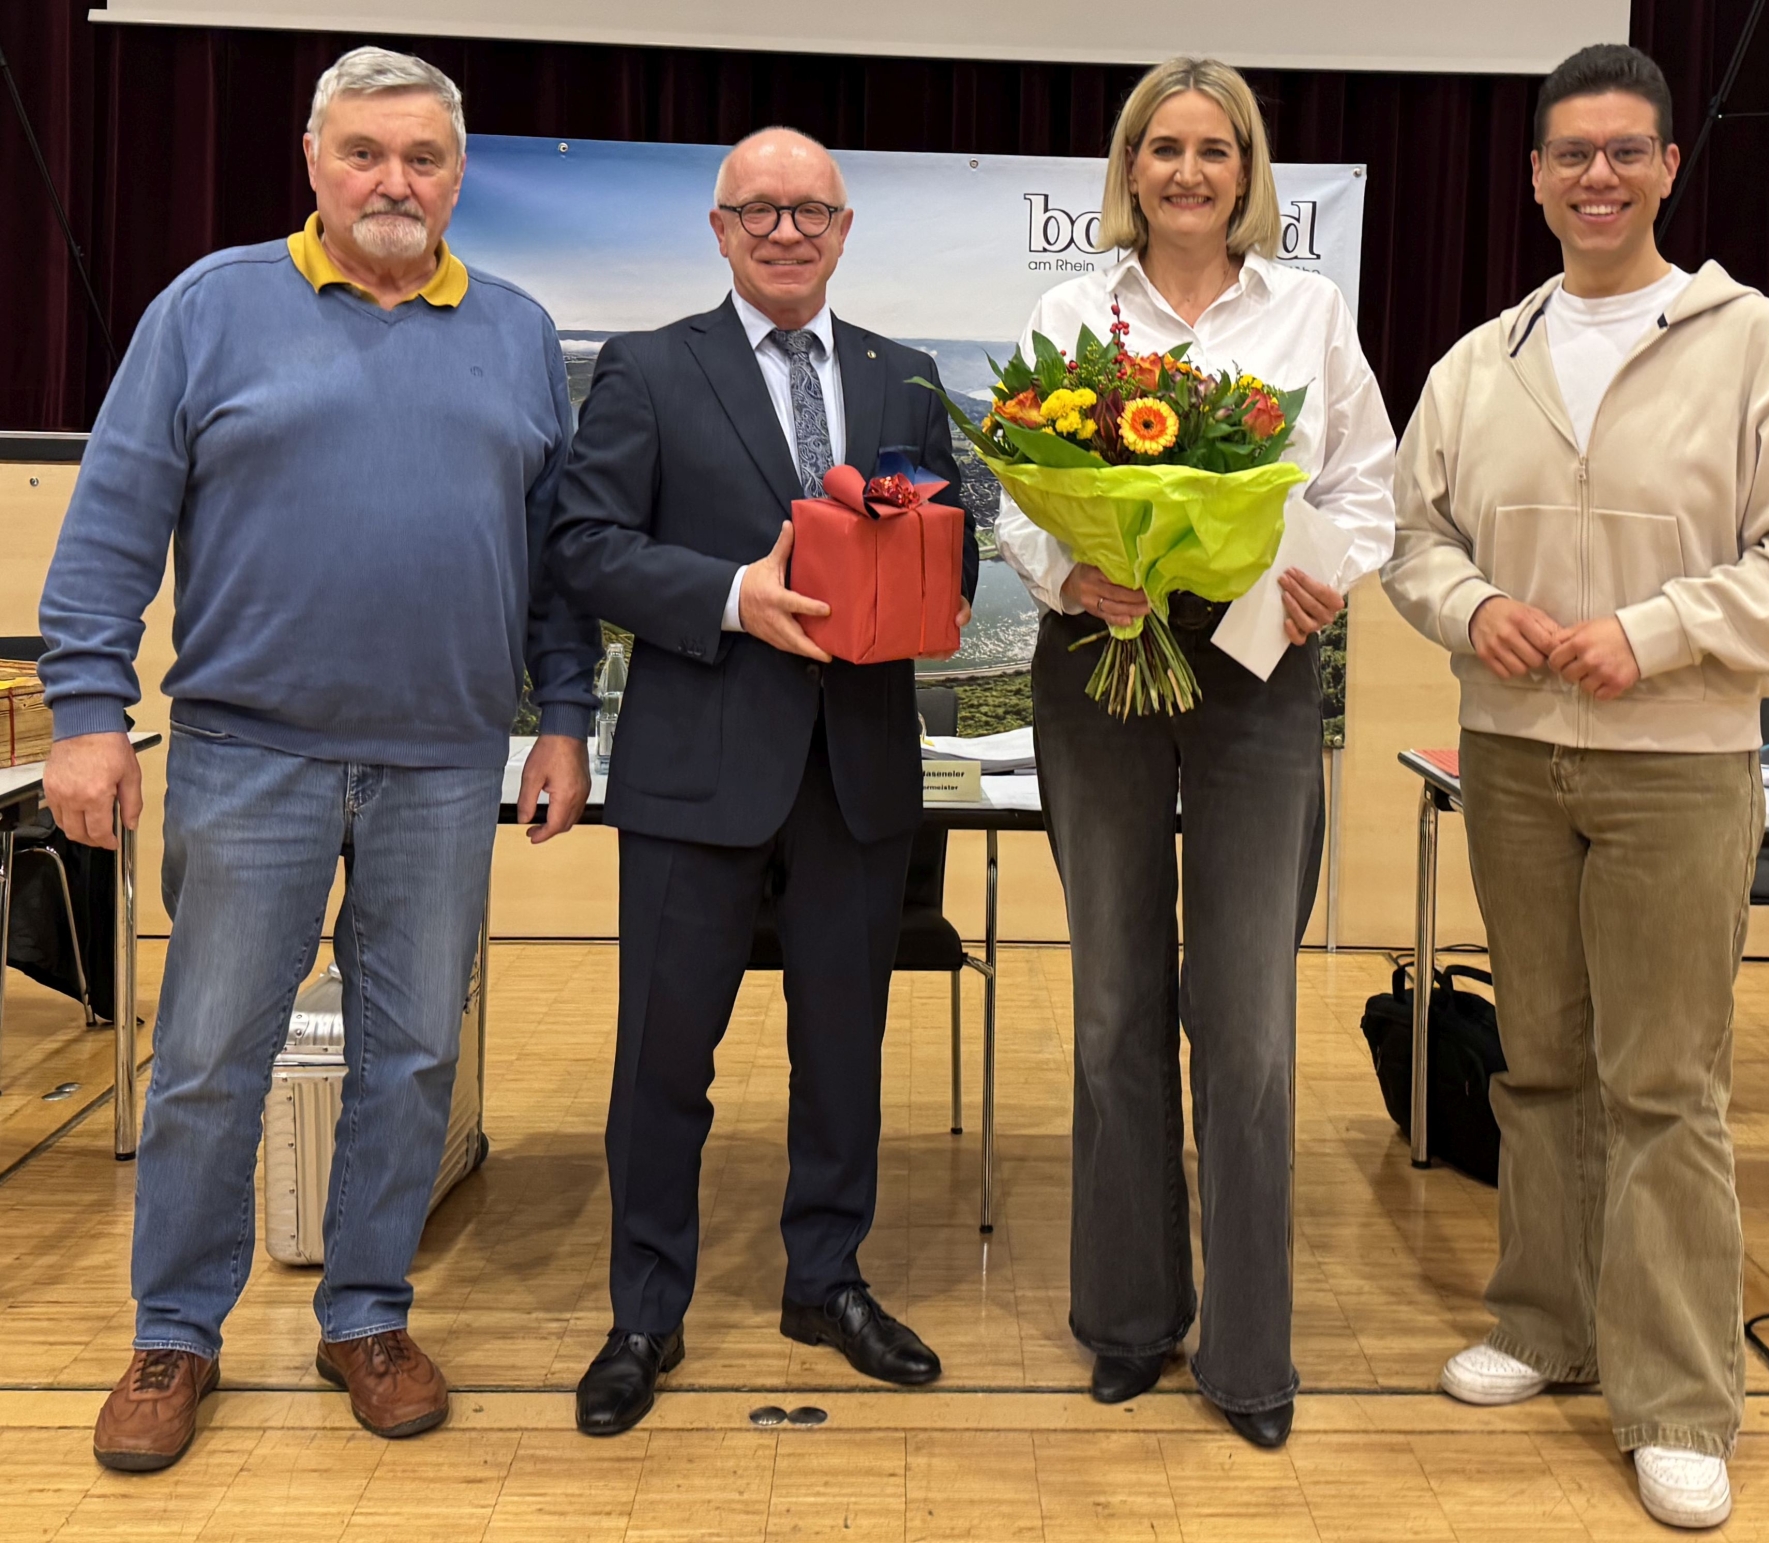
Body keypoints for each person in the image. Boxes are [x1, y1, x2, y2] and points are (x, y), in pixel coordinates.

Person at [38, 46, 601, 1472]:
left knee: (410, 1061)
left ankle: (366, 1312)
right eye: (365, 153)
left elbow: (556, 565)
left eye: (422, 157)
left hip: (441, 767)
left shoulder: (521, 331)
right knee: (211, 1060)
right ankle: (176, 1330)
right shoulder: (210, 308)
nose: (393, 181)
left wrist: (560, 718)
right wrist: (88, 716)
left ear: (460, 176)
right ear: (313, 162)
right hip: (248, 758)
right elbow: (110, 521)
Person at [1382, 44, 1769, 1530]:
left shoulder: (1759, 345)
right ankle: (1545, 1321)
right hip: (1513, 759)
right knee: (1541, 1066)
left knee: (1666, 1084)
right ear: (1532, 177)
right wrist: (1474, 614)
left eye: (1624, 151)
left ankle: (1677, 1398)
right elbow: (1416, 543)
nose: (1597, 176)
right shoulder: (1480, 359)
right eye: (1570, 154)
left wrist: (1649, 635)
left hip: (1679, 766)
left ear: (1668, 168)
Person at [548, 127, 977, 1437]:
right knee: (665, 1058)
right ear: (722, 229)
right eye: (760, 211)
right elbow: (587, 543)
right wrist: (731, 595)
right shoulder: (651, 368)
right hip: (697, 767)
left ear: (844, 230)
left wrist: (917, 585)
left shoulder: (904, 379)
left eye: (811, 211)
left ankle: (825, 1281)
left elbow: (953, 561)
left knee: (844, 1050)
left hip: (855, 773)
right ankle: (645, 1310)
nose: (787, 231)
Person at [996, 57, 1396, 1448]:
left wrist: (1324, 576)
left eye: (1212, 150)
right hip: (1100, 663)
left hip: (1257, 676)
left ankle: (1249, 1355)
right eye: (1161, 148)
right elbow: (1022, 502)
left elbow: (1368, 488)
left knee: (1245, 1026)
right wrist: (1070, 575)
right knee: (1111, 1006)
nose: (1186, 171)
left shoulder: (1311, 312)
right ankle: (1123, 1320)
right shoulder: (1072, 312)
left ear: (1248, 170)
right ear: (1129, 167)